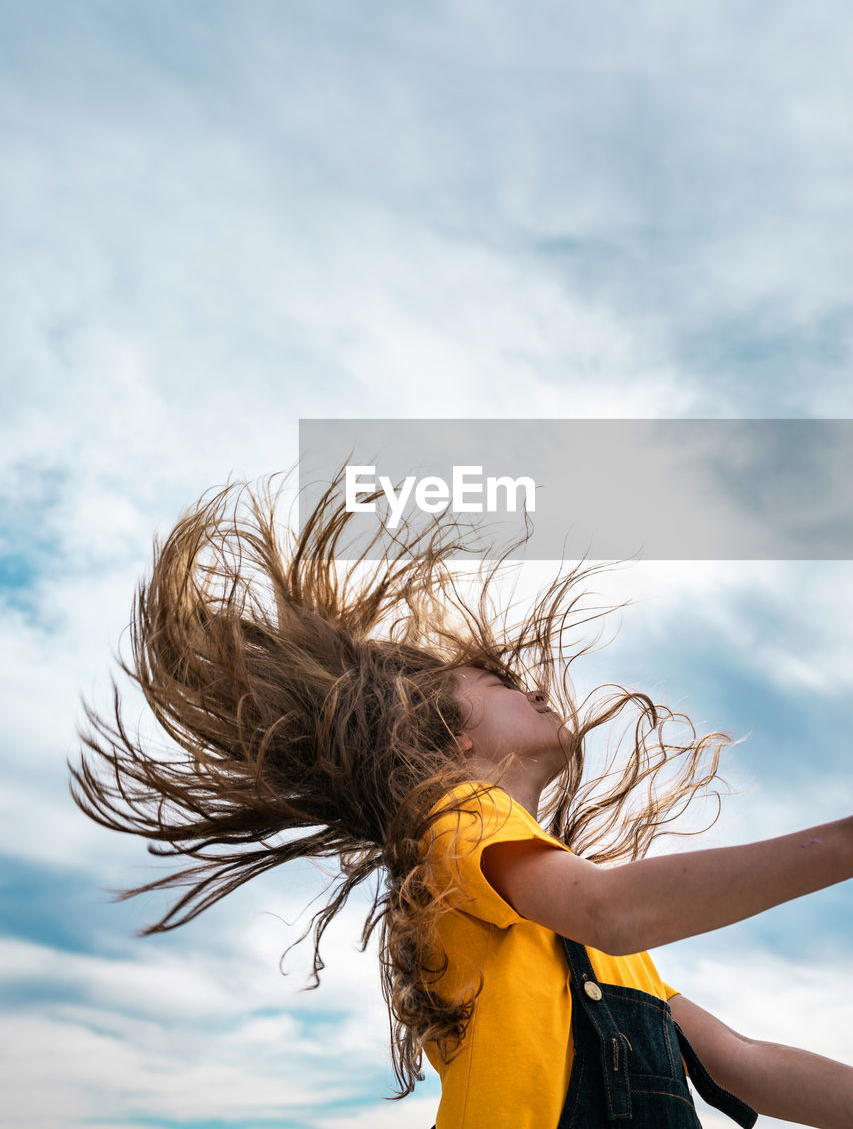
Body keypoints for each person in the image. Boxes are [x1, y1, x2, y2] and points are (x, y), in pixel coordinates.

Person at [69, 470, 853, 1129]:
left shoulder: (595, 945)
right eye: (500, 685)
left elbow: (742, 1065)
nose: (533, 687)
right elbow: (613, 908)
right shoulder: (453, 823)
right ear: (452, 740)